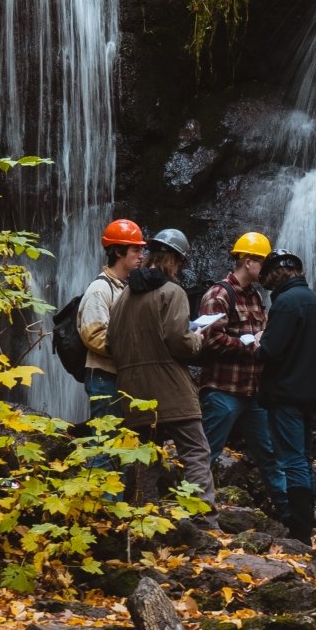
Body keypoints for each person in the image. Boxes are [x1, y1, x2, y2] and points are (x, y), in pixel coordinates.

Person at [106, 228, 217, 520]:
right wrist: (199, 337)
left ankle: (144, 517)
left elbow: (112, 342)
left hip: (132, 390)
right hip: (170, 387)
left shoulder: (123, 296)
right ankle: (203, 519)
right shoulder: (172, 292)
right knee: (194, 450)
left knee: (145, 456)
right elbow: (179, 342)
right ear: (175, 261)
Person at [255, 249, 316, 540]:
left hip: (286, 393)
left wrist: (259, 341)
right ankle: (306, 522)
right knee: (304, 457)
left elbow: (269, 351)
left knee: (293, 460)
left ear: (276, 273)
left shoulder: (286, 303)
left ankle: (300, 530)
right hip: (311, 393)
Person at [197, 232, 274, 497]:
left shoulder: (256, 297)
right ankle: (189, 515)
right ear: (248, 261)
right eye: (263, 262)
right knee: (206, 454)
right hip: (222, 391)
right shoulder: (218, 294)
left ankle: (293, 518)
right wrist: (249, 342)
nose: (266, 269)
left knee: (270, 455)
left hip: (253, 393)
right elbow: (209, 340)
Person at [77, 219, 150, 422]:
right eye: (136, 250)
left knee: (121, 444)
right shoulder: (100, 290)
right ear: (119, 252)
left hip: (122, 376)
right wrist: (134, 347)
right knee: (105, 444)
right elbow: (94, 337)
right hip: (104, 377)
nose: (141, 256)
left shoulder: (124, 287)